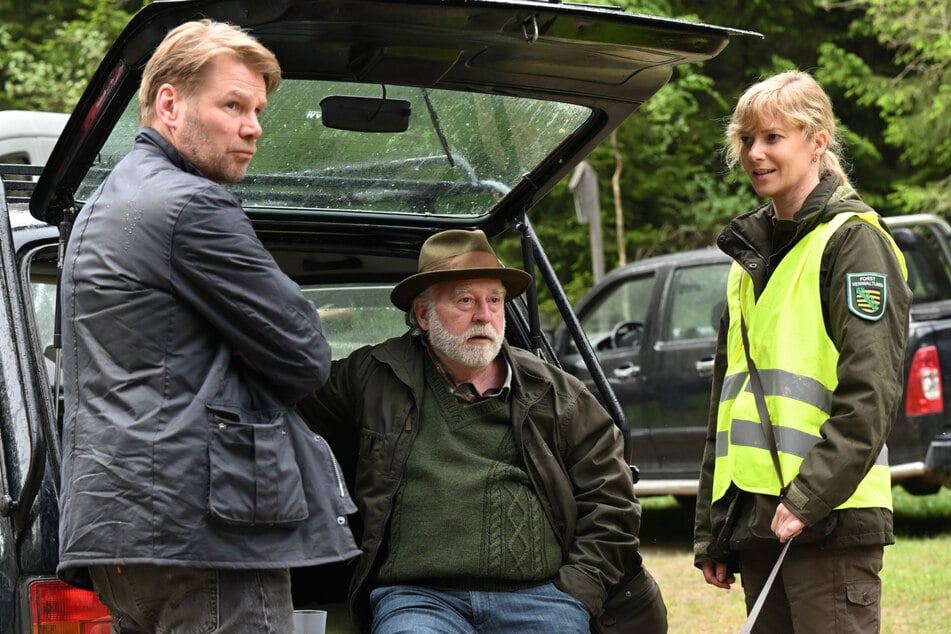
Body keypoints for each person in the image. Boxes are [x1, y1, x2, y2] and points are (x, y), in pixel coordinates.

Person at [57, 19, 360, 633]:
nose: (254, 127)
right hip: (207, 538)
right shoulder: (192, 205)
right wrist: (248, 345)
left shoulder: (103, 206)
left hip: (122, 537)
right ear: (169, 103)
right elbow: (305, 355)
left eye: (257, 109)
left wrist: (236, 344)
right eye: (232, 105)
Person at [298, 229, 666, 633]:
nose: (484, 316)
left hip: (541, 597)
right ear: (424, 315)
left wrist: (578, 590)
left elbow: (612, 504)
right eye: (465, 300)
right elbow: (287, 391)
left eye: (494, 300)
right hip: (418, 598)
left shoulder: (558, 394)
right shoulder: (376, 375)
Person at [693, 70, 912, 633]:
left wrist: (810, 497)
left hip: (829, 521)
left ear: (818, 141)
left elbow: (874, 392)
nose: (755, 154)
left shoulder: (854, 241)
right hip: (763, 525)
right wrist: (718, 527)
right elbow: (728, 407)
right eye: (746, 140)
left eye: (772, 137)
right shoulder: (749, 259)